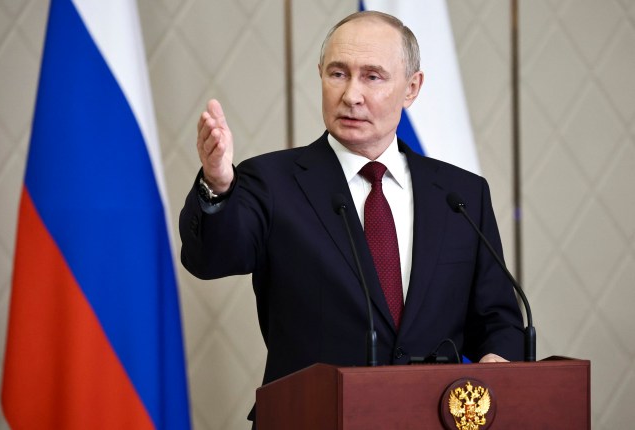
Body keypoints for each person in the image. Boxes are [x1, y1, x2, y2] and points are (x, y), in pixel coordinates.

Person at [179, 10, 524, 425]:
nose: (351, 95)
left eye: (372, 77)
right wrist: (217, 186)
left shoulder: (461, 195)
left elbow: (499, 318)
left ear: (411, 88)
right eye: (338, 74)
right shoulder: (270, 181)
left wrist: (498, 363)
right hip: (310, 417)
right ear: (320, 75)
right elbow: (212, 259)